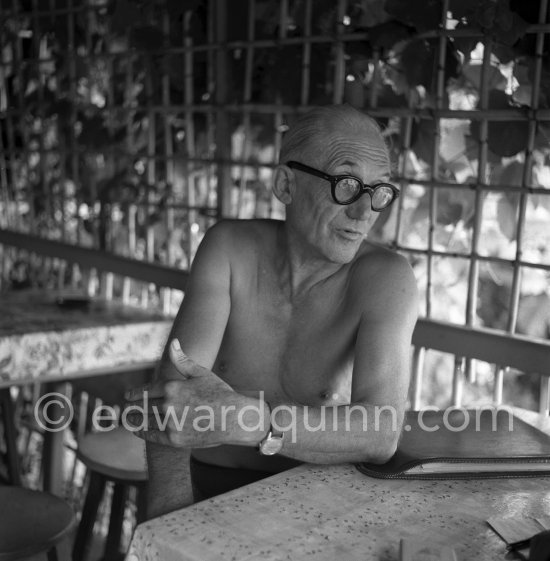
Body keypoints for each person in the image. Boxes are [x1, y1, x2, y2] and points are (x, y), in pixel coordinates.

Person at [125, 104, 419, 518]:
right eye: (348, 184)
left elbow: (381, 431)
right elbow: (172, 399)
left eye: (379, 191)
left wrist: (256, 423)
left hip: (315, 503)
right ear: (286, 184)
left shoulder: (387, 279)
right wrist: (168, 518)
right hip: (206, 488)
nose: (364, 211)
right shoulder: (229, 249)